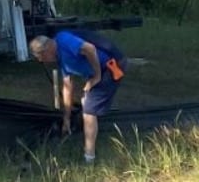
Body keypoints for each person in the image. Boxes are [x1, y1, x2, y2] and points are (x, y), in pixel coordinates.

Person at [29, 30, 126, 164]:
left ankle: (89, 159)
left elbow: (89, 49)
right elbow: (67, 87)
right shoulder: (61, 59)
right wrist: (66, 118)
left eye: (40, 57)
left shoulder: (63, 40)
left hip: (111, 68)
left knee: (89, 112)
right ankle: (90, 135)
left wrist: (97, 76)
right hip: (98, 73)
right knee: (85, 101)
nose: (41, 61)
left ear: (46, 50)